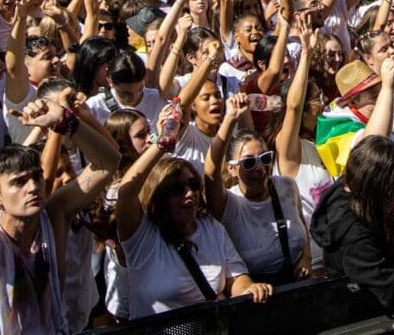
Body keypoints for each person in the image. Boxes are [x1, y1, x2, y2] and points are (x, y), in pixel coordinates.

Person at [0, 99, 115, 335]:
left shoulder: (54, 217)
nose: (33, 187)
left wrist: (67, 121)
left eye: (36, 177)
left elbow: (108, 164)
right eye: (19, 182)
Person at [114, 105, 274, 317]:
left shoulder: (212, 228)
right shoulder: (142, 235)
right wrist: (163, 142)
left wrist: (248, 288)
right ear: (160, 196)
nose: (189, 193)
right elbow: (126, 192)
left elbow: (235, 277)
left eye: (194, 185)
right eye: (177, 189)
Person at [204, 95, 312, 283]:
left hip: (299, 285)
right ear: (232, 168)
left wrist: (306, 259)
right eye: (249, 162)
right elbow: (211, 172)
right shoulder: (229, 204)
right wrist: (229, 119)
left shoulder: (286, 186)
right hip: (257, 296)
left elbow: (302, 228)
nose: (260, 168)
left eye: (265, 158)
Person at [310, 134, 394, 310]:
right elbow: (392, 292)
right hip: (362, 318)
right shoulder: (356, 236)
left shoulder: (344, 190)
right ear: (381, 184)